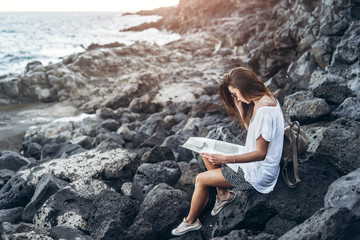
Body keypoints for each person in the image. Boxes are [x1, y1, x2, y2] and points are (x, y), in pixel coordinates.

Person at [171, 67, 284, 236]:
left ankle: (191, 222)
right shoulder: (264, 99)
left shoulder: (265, 112)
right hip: (254, 163)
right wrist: (239, 107)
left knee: (200, 180)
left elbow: (261, 153)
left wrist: (226, 159)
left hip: (258, 174)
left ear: (245, 87)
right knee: (206, 152)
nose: (235, 97)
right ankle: (223, 195)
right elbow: (253, 131)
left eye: (235, 93)